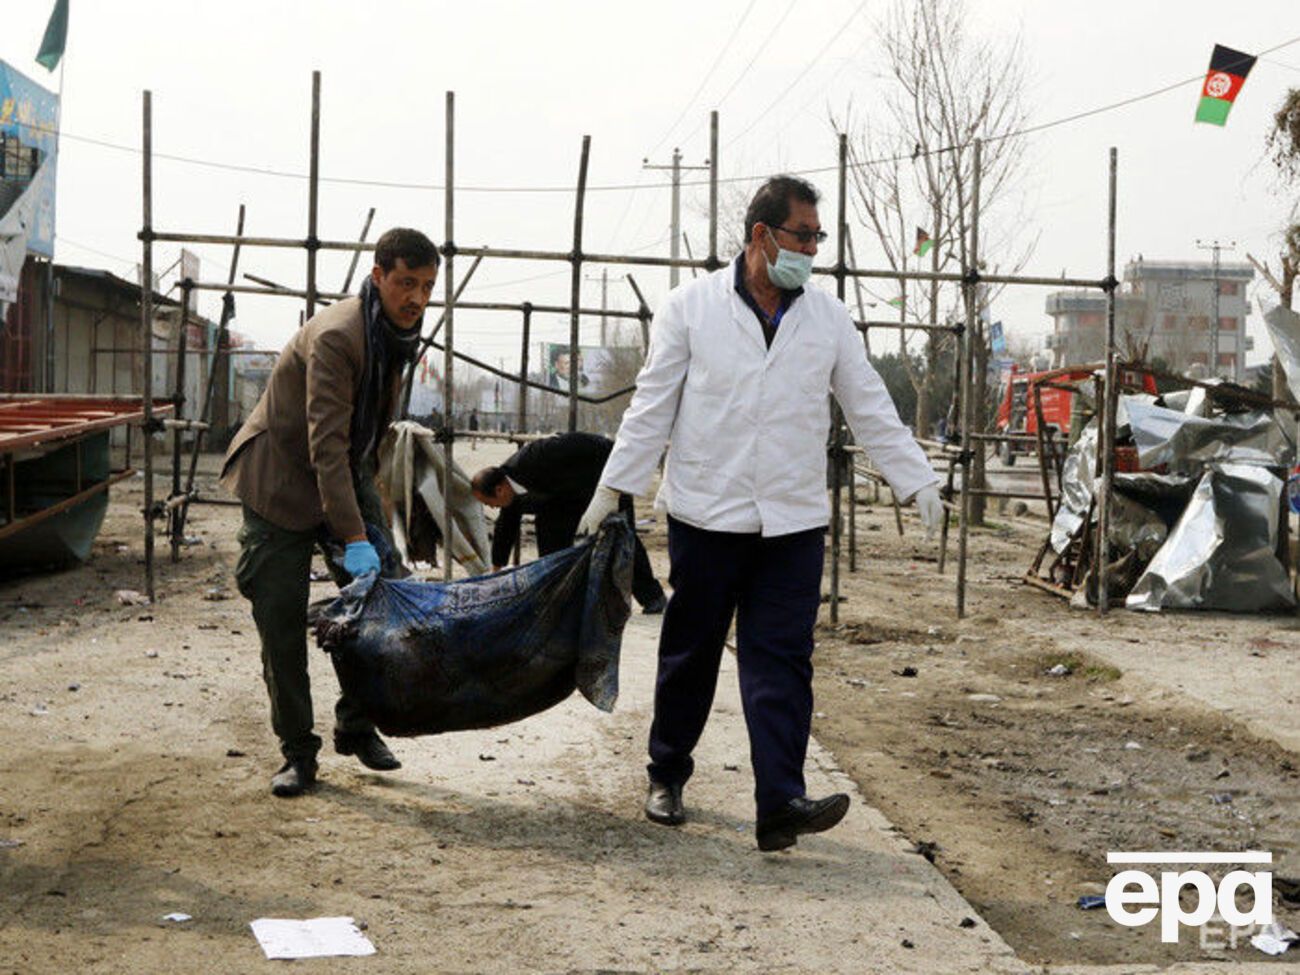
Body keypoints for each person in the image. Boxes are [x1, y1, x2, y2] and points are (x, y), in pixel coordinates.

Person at [577, 176, 943, 851]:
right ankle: (667, 771)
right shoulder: (691, 308)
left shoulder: (828, 318)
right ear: (761, 237)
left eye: (817, 238)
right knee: (691, 652)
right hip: (707, 515)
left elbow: (868, 404)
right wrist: (611, 489)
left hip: (793, 521)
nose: (812, 249)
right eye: (803, 236)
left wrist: (915, 479)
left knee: (782, 659)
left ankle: (780, 800)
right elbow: (652, 407)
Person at [221, 228, 440, 797]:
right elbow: (325, 444)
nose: (416, 297)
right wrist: (352, 534)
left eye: (426, 287)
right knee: (281, 616)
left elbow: (362, 441)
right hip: (281, 478)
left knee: (381, 600)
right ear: (378, 278)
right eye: (405, 283)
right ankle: (298, 752)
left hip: (344, 470)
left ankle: (356, 723)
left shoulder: (395, 333)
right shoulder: (341, 336)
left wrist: (373, 520)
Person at [471, 432, 667, 613]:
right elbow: (506, 526)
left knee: (622, 535)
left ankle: (653, 597)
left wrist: (614, 482)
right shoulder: (509, 488)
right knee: (549, 536)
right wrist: (496, 569)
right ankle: (558, 597)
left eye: (490, 503)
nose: (493, 508)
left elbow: (592, 448)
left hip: (605, 475)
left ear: (499, 490)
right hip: (565, 496)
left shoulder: (536, 458)